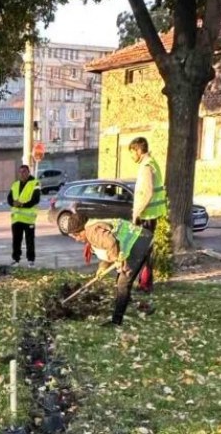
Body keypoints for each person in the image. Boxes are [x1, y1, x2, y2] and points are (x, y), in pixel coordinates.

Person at [64, 213, 153, 327]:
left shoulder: (91, 232)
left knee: (123, 283)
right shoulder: (94, 226)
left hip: (139, 243)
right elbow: (107, 247)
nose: (77, 239)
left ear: (81, 230)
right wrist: (102, 268)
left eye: (76, 236)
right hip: (142, 239)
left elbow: (111, 243)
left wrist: (117, 260)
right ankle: (126, 303)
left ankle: (116, 322)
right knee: (122, 282)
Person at [128, 137, 167, 292]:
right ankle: (144, 283)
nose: (132, 157)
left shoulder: (146, 166)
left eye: (132, 152)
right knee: (145, 251)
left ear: (138, 150)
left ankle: (144, 284)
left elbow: (148, 192)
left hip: (147, 216)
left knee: (142, 252)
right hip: (152, 214)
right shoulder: (152, 162)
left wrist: (137, 213)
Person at [7, 164, 40, 268]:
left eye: (24, 172)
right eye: (20, 172)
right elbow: (9, 199)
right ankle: (16, 260)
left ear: (28, 172)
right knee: (16, 240)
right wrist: (13, 203)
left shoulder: (35, 183)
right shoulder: (15, 184)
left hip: (28, 219)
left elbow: (35, 199)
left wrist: (21, 204)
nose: (22, 174)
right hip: (16, 219)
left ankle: (31, 260)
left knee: (30, 241)